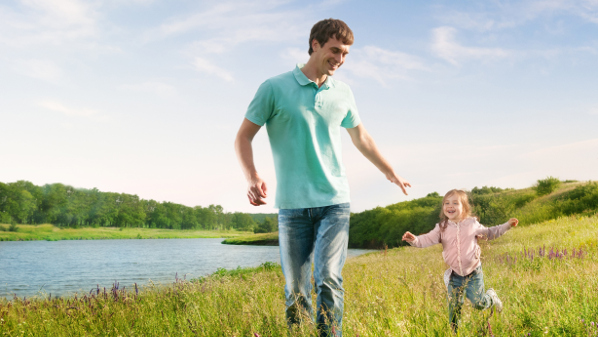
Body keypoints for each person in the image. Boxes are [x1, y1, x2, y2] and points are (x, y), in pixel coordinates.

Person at [234, 18, 411, 337]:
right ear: (315, 44)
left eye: (345, 54)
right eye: (335, 50)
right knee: (297, 291)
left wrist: (391, 173)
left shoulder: (342, 92)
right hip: (292, 207)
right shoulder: (274, 87)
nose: (340, 59)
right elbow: (243, 137)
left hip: (334, 203)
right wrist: (251, 176)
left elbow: (362, 138)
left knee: (328, 277)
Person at [402, 189, 519, 333]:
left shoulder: (471, 224)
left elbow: (490, 233)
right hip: (455, 275)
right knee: (454, 307)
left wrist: (506, 225)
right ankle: (454, 332)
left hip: (474, 272)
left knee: (478, 303)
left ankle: (491, 297)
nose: (450, 206)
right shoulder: (442, 228)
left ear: (464, 207)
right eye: (446, 203)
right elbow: (426, 239)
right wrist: (414, 240)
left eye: (455, 203)